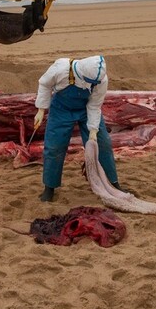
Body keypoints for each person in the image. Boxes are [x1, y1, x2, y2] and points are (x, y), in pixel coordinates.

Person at [33, 55, 123, 202]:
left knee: (103, 143)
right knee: (54, 146)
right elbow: (45, 84)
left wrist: (93, 131)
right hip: (61, 108)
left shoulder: (101, 80)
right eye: (90, 82)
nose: (92, 85)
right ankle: (49, 188)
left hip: (87, 109)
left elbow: (94, 105)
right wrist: (41, 110)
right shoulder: (61, 68)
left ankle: (113, 183)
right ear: (81, 75)